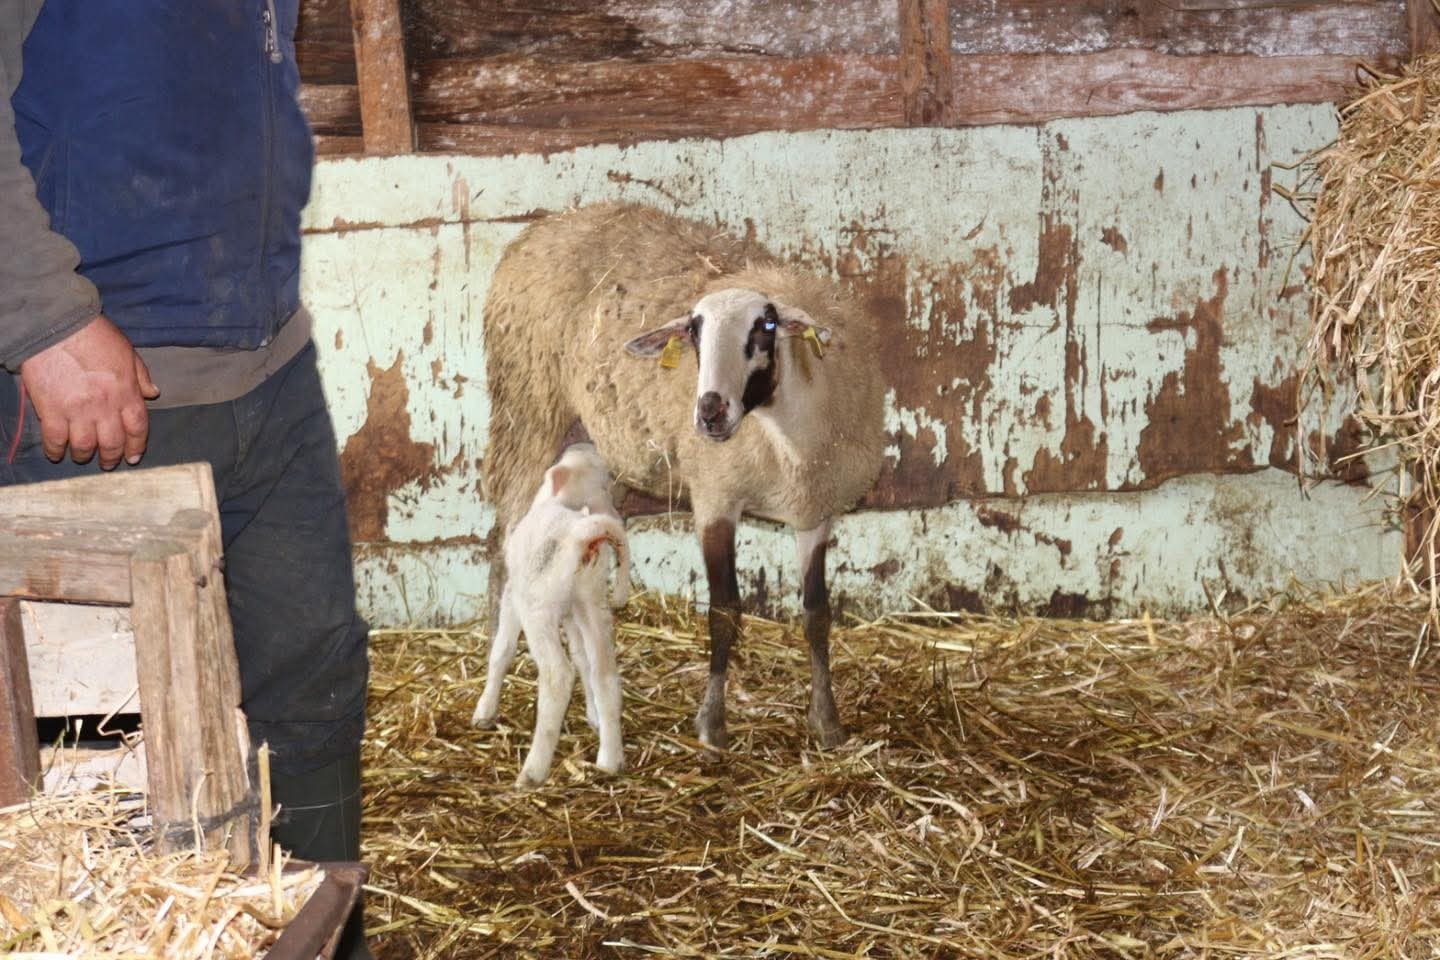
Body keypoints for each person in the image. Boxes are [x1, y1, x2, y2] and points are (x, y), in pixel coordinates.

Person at [1, 3, 372, 956]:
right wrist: (41, 321)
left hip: (269, 365)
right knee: (100, 741)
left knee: (315, 686)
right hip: (99, 388)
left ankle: (320, 939)